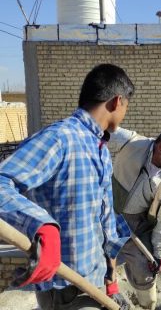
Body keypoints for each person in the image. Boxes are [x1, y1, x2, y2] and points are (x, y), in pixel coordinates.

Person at [0, 64, 134, 309]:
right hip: (64, 288)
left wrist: (110, 274)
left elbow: (103, 218)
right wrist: (42, 226)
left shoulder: (100, 148)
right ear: (117, 102)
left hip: (94, 282)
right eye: (127, 106)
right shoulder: (59, 138)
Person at [108, 125, 161, 309]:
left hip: (139, 226)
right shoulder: (132, 142)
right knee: (101, 267)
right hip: (109, 215)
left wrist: (160, 253)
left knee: (146, 273)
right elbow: (101, 126)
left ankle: (147, 305)